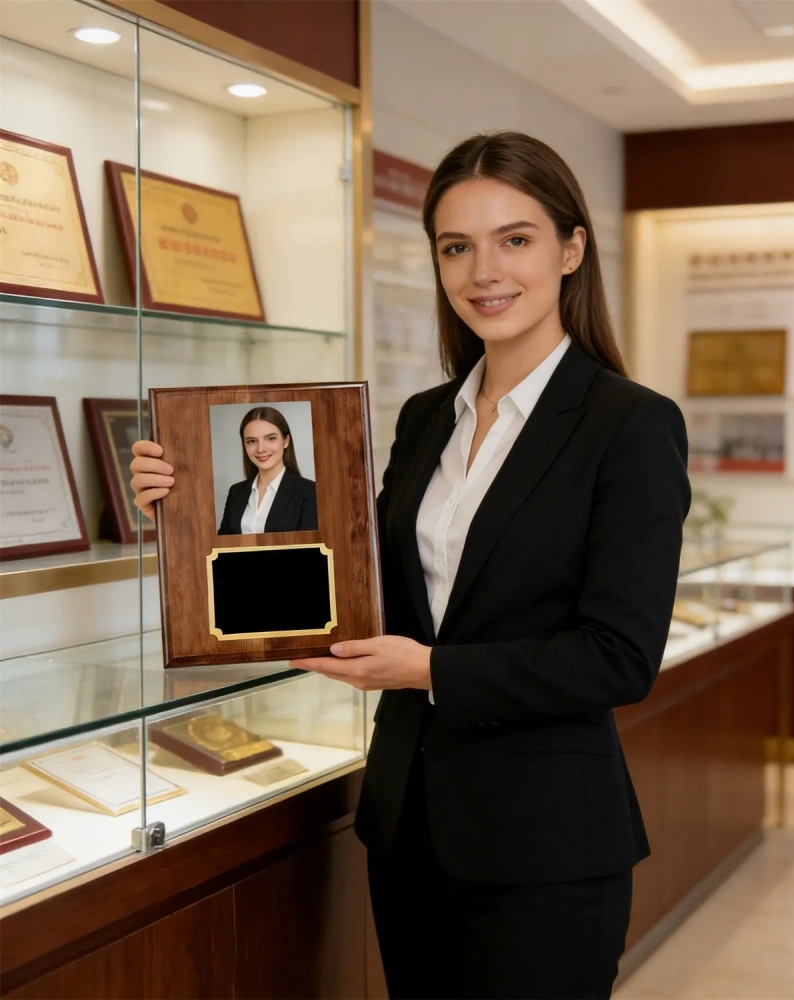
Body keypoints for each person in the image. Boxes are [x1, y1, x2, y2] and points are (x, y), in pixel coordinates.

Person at [130, 131, 690, 1000]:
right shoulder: (427, 418)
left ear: (572, 249)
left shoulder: (629, 423)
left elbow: (618, 655)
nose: (483, 272)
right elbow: (364, 592)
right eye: (456, 247)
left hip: (544, 847)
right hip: (409, 828)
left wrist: (429, 670)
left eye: (515, 239)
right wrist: (186, 514)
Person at [217, 406, 317, 534]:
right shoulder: (236, 492)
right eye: (252, 441)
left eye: (270, 438)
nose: (260, 449)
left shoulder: (309, 492)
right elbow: (223, 545)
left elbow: (310, 549)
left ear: (286, 441)